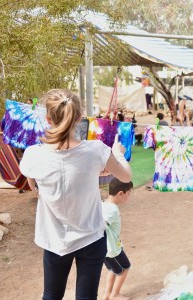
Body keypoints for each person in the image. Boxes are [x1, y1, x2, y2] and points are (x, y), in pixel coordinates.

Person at [19, 89, 132, 300]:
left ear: (48, 118)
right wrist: (117, 153)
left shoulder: (33, 154)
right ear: (80, 118)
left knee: (51, 296)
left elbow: (30, 180)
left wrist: (39, 190)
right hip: (91, 238)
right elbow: (125, 176)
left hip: (54, 240)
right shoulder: (96, 151)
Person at [102, 178, 133, 300]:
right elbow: (102, 225)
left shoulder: (102, 203)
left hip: (104, 249)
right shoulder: (112, 209)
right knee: (125, 268)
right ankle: (115, 295)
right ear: (120, 193)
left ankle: (107, 295)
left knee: (112, 269)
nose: (129, 196)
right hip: (112, 248)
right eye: (129, 193)